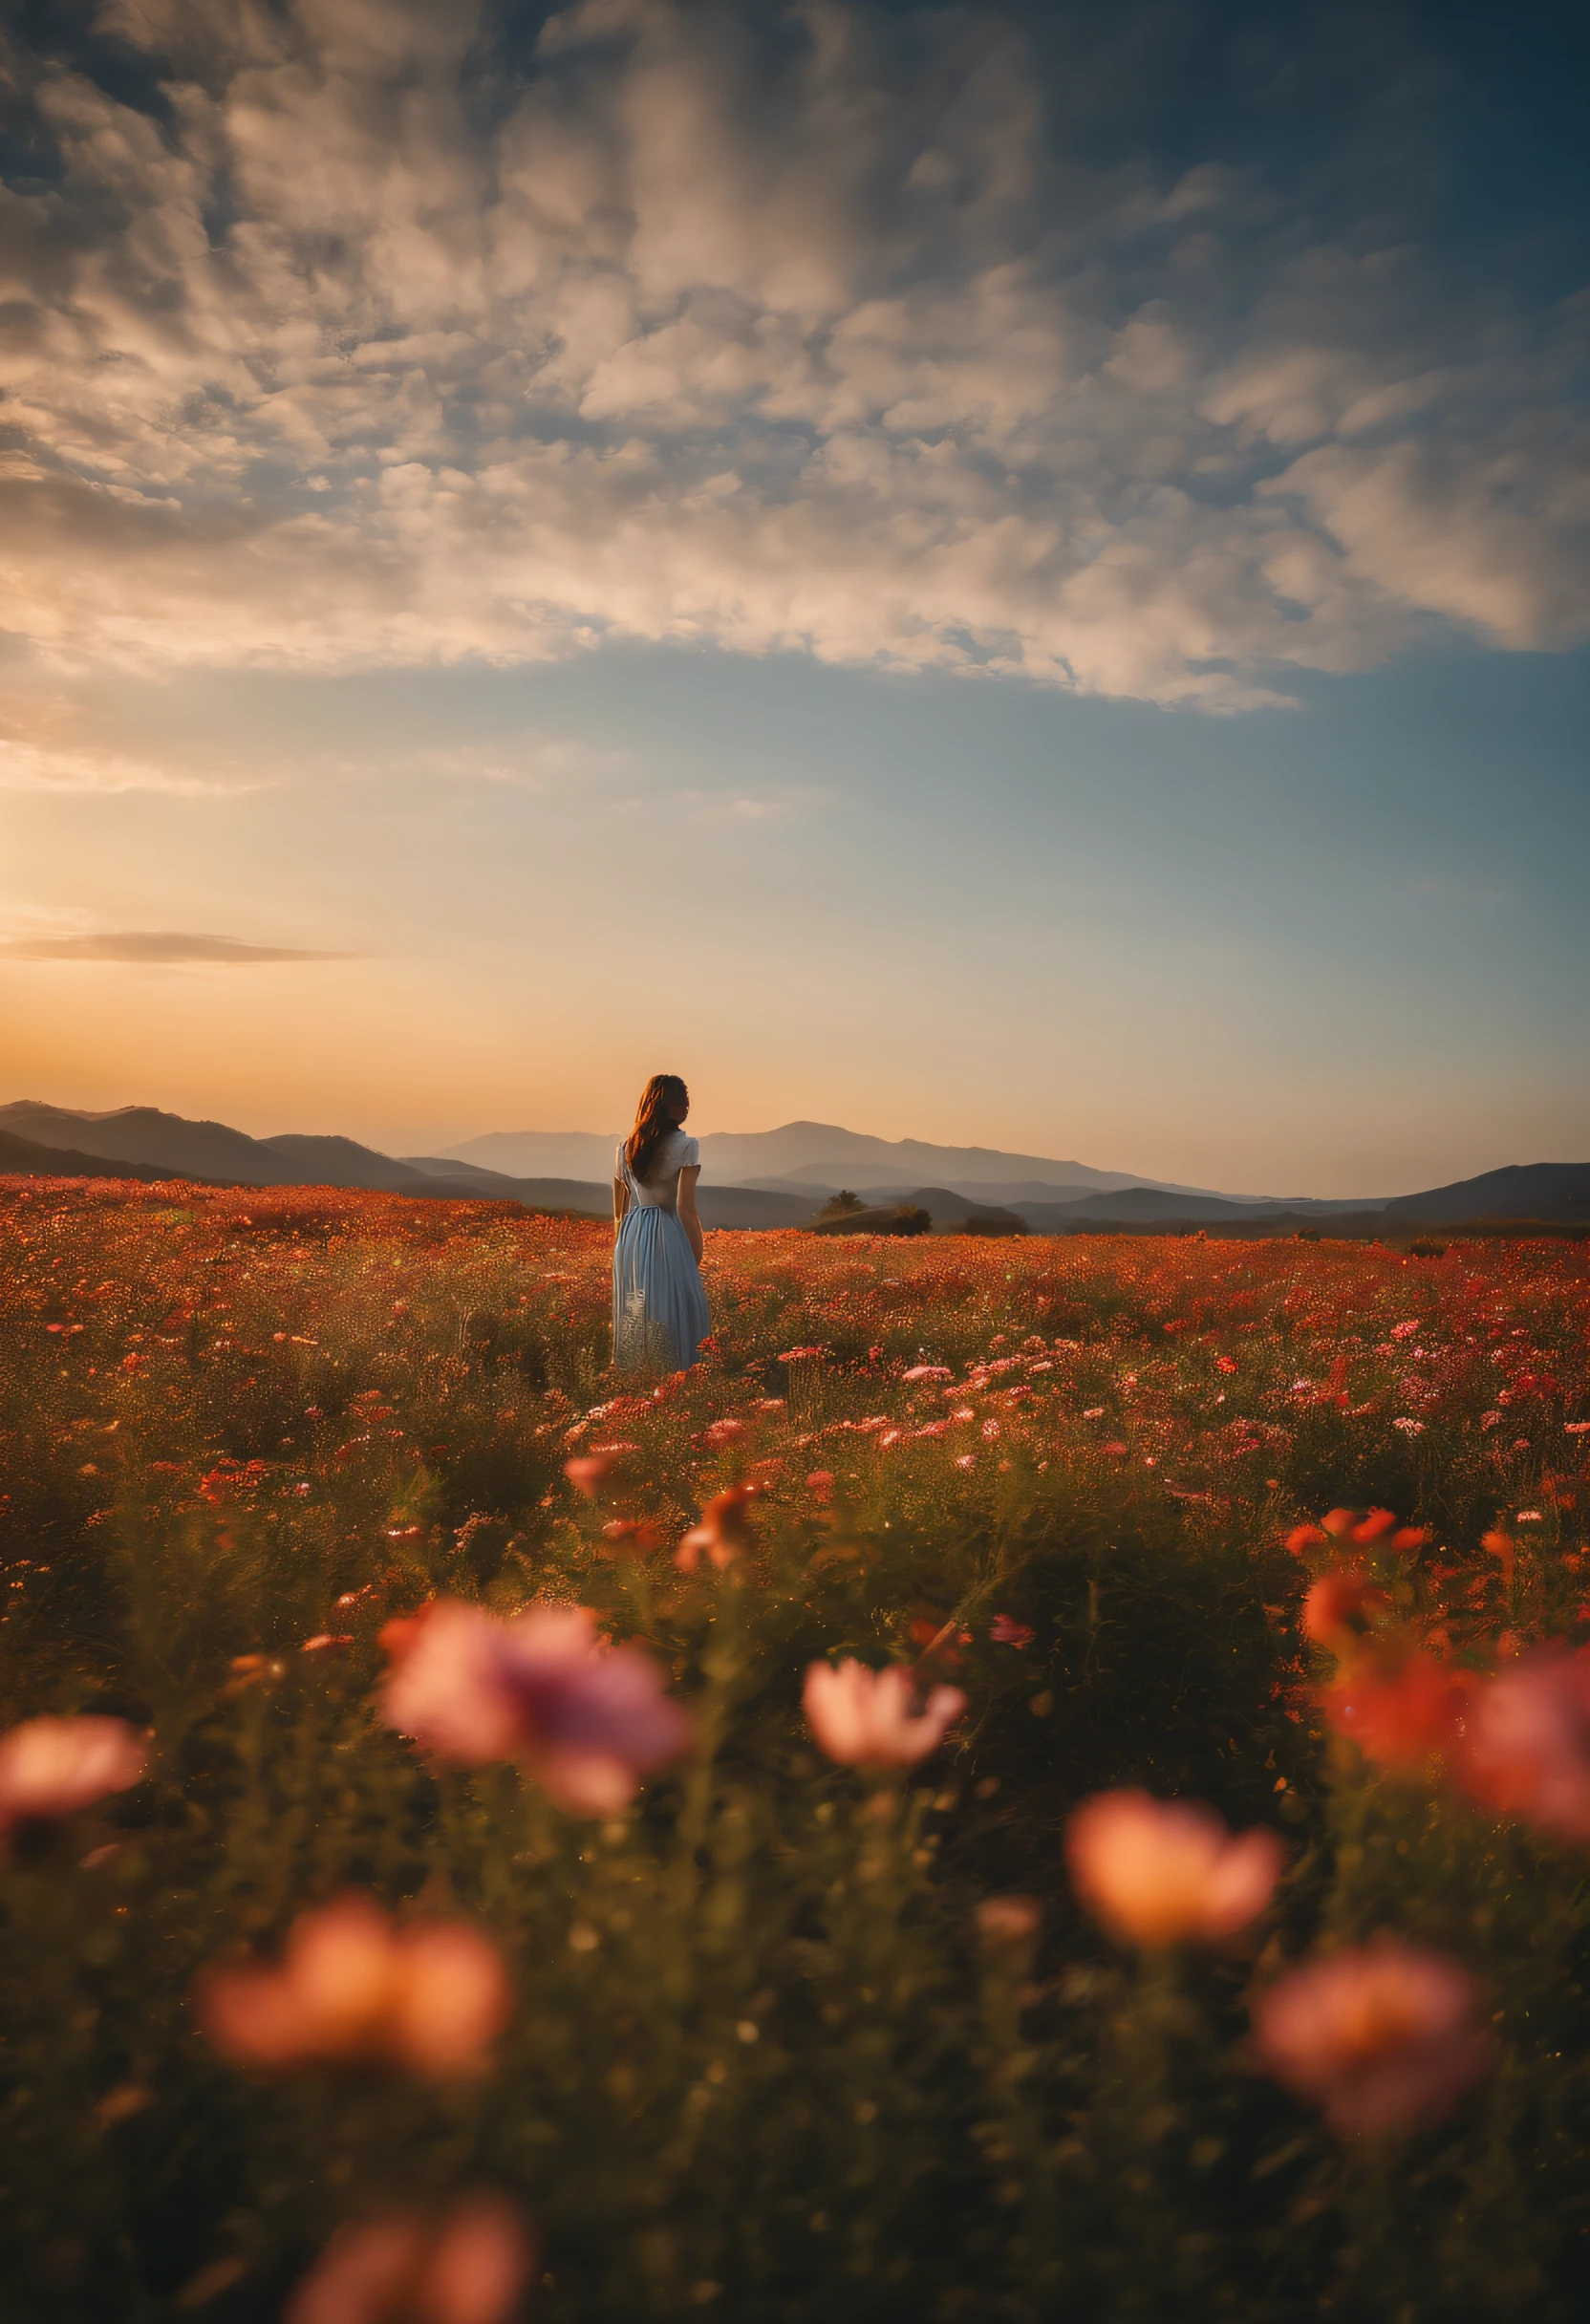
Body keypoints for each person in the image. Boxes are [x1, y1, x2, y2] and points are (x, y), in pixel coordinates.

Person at [612, 1072, 711, 1372]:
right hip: (668, 1232)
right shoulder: (687, 1145)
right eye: (680, 1101)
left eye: (687, 1100)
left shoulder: (625, 1147)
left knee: (637, 1306)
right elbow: (685, 1208)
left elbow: (619, 1209)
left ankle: (637, 1374)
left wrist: (623, 1249)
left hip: (632, 1234)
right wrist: (696, 1252)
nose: (687, 1106)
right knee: (677, 1306)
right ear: (662, 1105)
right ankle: (677, 1376)